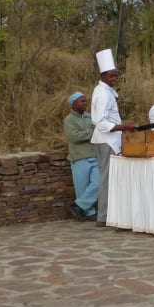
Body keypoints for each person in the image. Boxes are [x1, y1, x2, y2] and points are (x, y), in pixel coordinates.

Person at [90, 48, 138, 227]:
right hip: (106, 140)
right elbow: (100, 122)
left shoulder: (107, 91)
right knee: (106, 178)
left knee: (111, 178)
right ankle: (102, 216)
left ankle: (109, 214)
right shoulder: (102, 93)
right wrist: (124, 127)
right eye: (111, 76)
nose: (114, 79)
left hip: (112, 139)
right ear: (103, 75)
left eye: (115, 76)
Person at [63, 91, 98, 221]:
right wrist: (90, 132)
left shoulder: (90, 117)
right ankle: (89, 212)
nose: (85, 103)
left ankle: (78, 206)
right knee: (81, 188)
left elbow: (98, 131)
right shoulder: (69, 120)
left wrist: (88, 133)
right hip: (79, 157)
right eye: (82, 101)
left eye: (85, 100)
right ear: (73, 104)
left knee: (98, 183)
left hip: (94, 155)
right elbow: (74, 136)